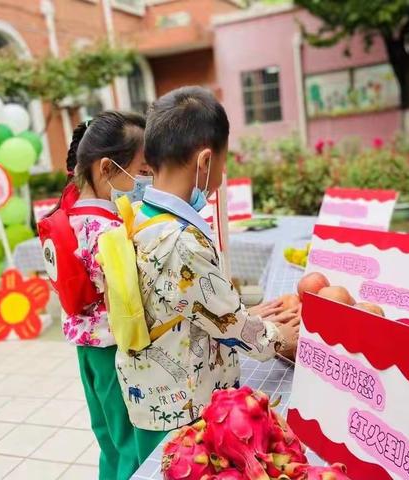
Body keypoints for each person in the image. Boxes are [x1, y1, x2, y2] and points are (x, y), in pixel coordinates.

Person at [115, 86, 300, 456]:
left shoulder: (138, 214)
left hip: (152, 392)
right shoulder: (181, 241)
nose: (222, 174)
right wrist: (283, 337)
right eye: (223, 161)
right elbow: (233, 327)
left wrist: (237, 315)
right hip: (181, 406)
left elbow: (187, 305)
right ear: (204, 162)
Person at [50, 111, 152, 480]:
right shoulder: (107, 229)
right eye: (141, 171)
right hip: (113, 350)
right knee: (128, 440)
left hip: (84, 348)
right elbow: (125, 298)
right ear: (108, 168)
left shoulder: (68, 213)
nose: (145, 181)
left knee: (106, 436)